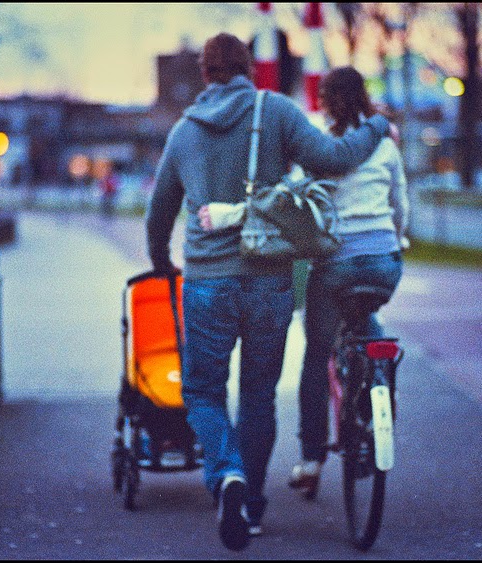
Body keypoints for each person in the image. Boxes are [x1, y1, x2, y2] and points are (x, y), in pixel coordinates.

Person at [145, 34, 392, 551]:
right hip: (268, 278)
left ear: (206, 72)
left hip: (207, 282)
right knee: (258, 394)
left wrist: (162, 262)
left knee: (203, 391)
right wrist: (375, 125)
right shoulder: (274, 111)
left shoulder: (184, 131)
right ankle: (252, 506)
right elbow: (335, 157)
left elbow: (159, 212)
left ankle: (227, 475)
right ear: (247, 69)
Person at [197, 66, 410, 500]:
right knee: (367, 320)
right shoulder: (386, 146)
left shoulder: (320, 147)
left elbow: (283, 198)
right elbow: (400, 203)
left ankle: (311, 458)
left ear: (326, 101)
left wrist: (232, 213)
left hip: (336, 266)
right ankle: (380, 395)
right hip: (384, 261)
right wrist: (398, 238)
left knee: (317, 355)